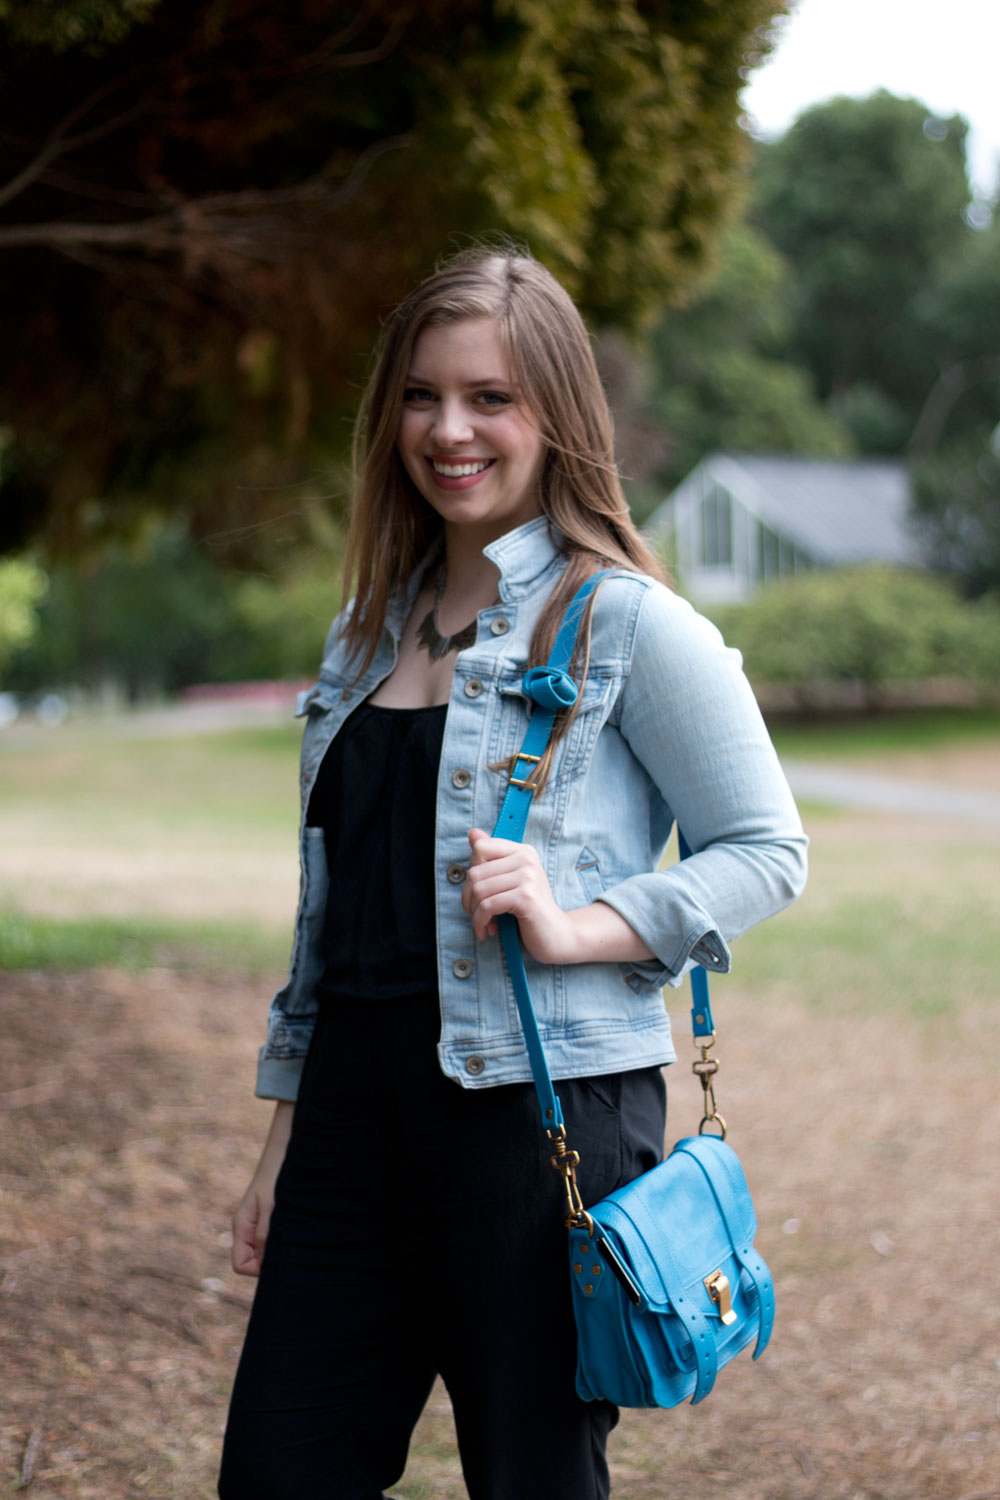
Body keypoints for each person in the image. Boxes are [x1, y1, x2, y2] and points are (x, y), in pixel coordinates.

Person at [217, 244, 807, 1500]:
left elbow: (768, 849)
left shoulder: (621, 623)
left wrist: (578, 921)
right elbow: (336, 916)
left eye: (490, 397)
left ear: (555, 417)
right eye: (423, 397)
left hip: (536, 1131)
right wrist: (281, 1137)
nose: (449, 429)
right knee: (277, 1471)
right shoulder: (367, 627)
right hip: (345, 1127)